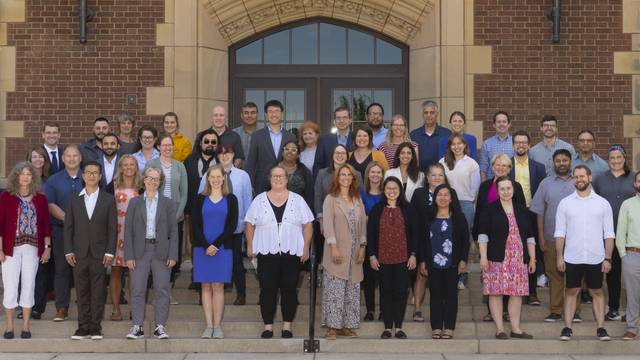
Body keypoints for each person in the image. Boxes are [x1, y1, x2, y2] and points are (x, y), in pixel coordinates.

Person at [245, 166, 313, 339]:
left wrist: (306, 247)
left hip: (292, 252)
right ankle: (268, 326)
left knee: (289, 289)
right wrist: (250, 245)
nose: (277, 179)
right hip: (266, 252)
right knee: (267, 289)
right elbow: (249, 224)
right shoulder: (259, 200)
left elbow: (308, 225)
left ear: (286, 178)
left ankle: (287, 326)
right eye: (274, 176)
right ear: (269, 178)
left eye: (281, 176)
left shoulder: (298, 200)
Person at [555, 165, 615, 341]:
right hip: (572, 256)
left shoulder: (603, 204)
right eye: (575, 177)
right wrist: (560, 256)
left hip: (596, 257)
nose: (579, 179)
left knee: (597, 291)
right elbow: (560, 233)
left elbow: (609, 234)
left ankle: (601, 329)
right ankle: (567, 328)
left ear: (589, 178)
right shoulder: (565, 203)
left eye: (582, 176)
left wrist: (608, 258)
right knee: (571, 291)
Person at [478, 176, 536, 340]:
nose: (506, 192)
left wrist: (532, 258)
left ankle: (516, 329)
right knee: (495, 293)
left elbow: (530, 236)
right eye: (502, 189)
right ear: (497, 191)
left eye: (508, 188)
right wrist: (483, 257)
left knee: (516, 293)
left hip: (518, 258)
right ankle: (500, 329)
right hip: (495, 257)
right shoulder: (489, 209)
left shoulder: (522, 210)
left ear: (513, 189)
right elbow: (483, 235)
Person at [64, 160, 117, 340]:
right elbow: (68, 228)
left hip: (100, 254)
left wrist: (110, 251)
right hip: (78, 253)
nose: (92, 175)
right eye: (88, 172)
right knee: (81, 290)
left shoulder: (108, 200)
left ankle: (95, 326)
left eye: (95, 172)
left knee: (98, 290)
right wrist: (68, 251)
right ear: (83, 175)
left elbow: (112, 228)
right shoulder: (73, 199)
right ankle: (82, 326)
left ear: (100, 176)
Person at [124, 166, 178, 340]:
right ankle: (137, 326)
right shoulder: (134, 202)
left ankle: (160, 326)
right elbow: (128, 231)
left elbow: (174, 231)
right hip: (140, 251)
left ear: (160, 182)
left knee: (162, 289)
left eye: (156, 179)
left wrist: (173, 254)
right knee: (137, 289)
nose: (152, 181)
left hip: (161, 251)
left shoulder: (168, 203)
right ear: (144, 180)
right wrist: (129, 255)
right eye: (149, 178)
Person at [529, 149, 581, 323]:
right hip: (551, 237)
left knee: (575, 275)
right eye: (558, 160)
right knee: (554, 274)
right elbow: (539, 212)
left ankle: (575, 311)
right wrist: (541, 238)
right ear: (553, 162)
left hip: (577, 239)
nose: (561, 163)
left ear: (570, 161)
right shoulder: (546, 183)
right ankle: (556, 310)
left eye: (565, 160)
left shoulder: (579, 181)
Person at [0, 162, 51, 339]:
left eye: (29, 174)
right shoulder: (5, 197)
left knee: (29, 285)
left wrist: (47, 248)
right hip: (9, 250)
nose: (25, 176)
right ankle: (9, 327)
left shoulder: (41, 199)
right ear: (16, 176)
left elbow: (45, 226)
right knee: (10, 286)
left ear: (33, 177)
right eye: (22, 173)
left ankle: (26, 327)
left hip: (32, 249)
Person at [197, 145, 253, 305]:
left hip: (235, 228)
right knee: (210, 260)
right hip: (212, 229)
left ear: (233, 154)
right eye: (221, 153)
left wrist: (247, 225)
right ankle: (205, 294)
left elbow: (248, 201)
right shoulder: (208, 175)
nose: (225, 155)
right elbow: (201, 199)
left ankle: (241, 293)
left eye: (228, 152)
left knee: (236, 262)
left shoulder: (243, 176)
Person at [473, 154, 526, 321]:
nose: (500, 168)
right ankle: (492, 310)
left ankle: (506, 311)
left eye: (504, 165)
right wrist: (477, 234)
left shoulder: (515, 186)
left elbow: (521, 213)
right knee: (490, 275)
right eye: (497, 165)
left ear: (510, 169)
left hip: (511, 242)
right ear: (492, 166)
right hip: (488, 237)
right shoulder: (485, 186)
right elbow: (480, 211)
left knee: (509, 276)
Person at [367, 176, 417, 339]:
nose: (392, 191)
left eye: (395, 188)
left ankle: (399, 328)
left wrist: (413, 255)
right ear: (384, 190)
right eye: (388, 188)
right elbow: (371, 234)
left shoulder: (408, 209)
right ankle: (388, 327)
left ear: (400, 191)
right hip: (382, 259)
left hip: (403, 259)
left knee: (401, 292)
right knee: (386, 291)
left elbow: (414, 235)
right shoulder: (377, 209)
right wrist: (372, 255)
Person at [321, 164, 367, 339]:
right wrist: (333, 247)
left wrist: (362, 247)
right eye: (343, 174)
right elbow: (327, 225)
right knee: (335, 290)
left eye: (349, 175)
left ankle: (346, 326)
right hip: (337, 251)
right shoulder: (331, 199)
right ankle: (332, 327)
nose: (346, 177)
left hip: (354, 253)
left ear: (353, 179)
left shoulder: (357, 199)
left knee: (352, 291)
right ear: (337, 177)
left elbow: (363, 224)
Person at [192, 165, 238, 338]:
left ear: (224, 178)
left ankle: (217, 326)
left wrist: (216, 245)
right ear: (208, 179)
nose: (216, 180)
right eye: (213, 177)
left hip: (223, 248)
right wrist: (206, 245)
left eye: (219, 177)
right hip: (202, 248)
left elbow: (232, 226)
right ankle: (208, 325)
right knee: (205, 286)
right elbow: (195, 225)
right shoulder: (199, 199)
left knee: (218, 286)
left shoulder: (231, 199)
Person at [410, 163, 460, 321]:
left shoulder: (451, 193)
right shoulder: (419, 194)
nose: (437, 178)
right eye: (433, 175)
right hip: (424, 239)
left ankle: (442, 310)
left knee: (443, 278)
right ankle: (417, 309)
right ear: (427, 177)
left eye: (440, 175)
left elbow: (457, 216)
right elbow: (413, 218)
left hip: (446, 241)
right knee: (421, 274)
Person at [419, 184, 469, 339]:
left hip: (452, 263)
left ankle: (448, 327)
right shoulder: (428, 215)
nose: (442, 197)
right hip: (432, 262)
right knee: (435, 295)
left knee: (451, 295)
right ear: (435, 198)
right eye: (439, 194)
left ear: (451, 198)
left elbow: (465, 240)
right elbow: (422, 240)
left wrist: (462, 260)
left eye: (446, 195)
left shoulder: (459, 217)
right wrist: (422, 261)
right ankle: (436, 327)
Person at [592, 144, 636, 321]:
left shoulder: (634, 178)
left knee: (632, 274)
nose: (616, 161)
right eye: (612, 158)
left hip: (631, 234)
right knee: (613, 273)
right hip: (608, 233)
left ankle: (633, 310)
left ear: (625, 158)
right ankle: (614, 308)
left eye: (619, 157)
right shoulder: (600, 179)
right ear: (608, 160)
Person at [45, 145, 84, 322]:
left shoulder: (89, 177)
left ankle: (85, 309)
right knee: (61, 269)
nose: (71, 158)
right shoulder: (54, 180)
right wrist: (69, 220)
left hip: (86, 233)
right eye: (68, 155)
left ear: (80, 158)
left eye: (75, 155)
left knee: (83, 270)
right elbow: (51, 205)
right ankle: (62, 308)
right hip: (60, 231)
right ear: (63, 159)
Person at [508, 130, 546, 305]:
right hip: (510, 213)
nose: (520, 145)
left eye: (524, 142)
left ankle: (531, 292)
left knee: (532, 251)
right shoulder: (506, 166)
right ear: (513, 145)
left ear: (529, 145)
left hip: (532, 214)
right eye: (517, 142)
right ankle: (513, 290)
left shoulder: (539, 168)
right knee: (511, 252)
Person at [147, 134, 188, 279]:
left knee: (172, 249)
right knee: (156, 248)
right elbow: (147, 190)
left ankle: (170, 281)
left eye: (169, 145)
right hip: (156, 214)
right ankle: (155, 279)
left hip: (175, 214)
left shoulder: (180, 166)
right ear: (158, 147)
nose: (167, 148)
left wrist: (178, 212)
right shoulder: (151, 164)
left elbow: (184, 193)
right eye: (164, 145)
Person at [315, 145, 363, 264]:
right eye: (337, 153)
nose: (339, 155)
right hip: (328, 219)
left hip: (349, 218)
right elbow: (318, 196)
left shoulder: (356, 174)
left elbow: (359, 196)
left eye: (342, 153)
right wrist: (321, 219)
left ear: (347, 156)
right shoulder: (322, 173)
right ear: (332, 156)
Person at [109, 154, 141, 321]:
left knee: (134, 273)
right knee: (115, 271)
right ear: (120, 168)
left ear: (136, 167)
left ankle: (134, 309)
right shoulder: (112, 185)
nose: (129, 168)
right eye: (125, 165)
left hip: (136, 235)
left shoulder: (142, 186)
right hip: (116, 233)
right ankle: (116, 309)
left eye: (132, 165)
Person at [245, 100, 297, 194]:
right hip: (261, 183)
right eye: (270, 111)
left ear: (282, 114)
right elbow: (251, 162)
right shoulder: (257, 136)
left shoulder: (290, 137)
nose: (274, 114)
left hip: (285, 182)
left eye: (277, 111)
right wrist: (250, 185)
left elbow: (294, 161)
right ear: (266, 114)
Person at [615, 170, 640, 340]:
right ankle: (632, 327)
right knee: (633, 294)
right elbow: (620, 232)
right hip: (633, 255)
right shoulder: (628, 204)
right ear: (635, 184)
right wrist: (624, 256)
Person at [439, 134, 480, 231]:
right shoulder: (442, 162)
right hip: (446, 202)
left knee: (465, 233)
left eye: (459, 143)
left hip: (465, 203)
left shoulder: (472, 163)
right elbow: (439, 183)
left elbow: (475, 187)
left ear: (465, 145)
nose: (456, 147)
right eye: (453, 144)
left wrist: (469, 199)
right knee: (447, 232)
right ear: (449, 146)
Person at [410, 100, 452, 172]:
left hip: (440, 177)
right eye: (426, 113)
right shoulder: (413, 135)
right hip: (419, 177)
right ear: (422, 115)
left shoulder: (447, 134)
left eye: (432, 112)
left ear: (437, 114)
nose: (428, 115)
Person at [314, 106, 352, 175]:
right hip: (329, 183)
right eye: (338, 118)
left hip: (352, 182)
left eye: (345, 117)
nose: (341, 121)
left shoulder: (356, 139)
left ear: (350, 120)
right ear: (334, 121)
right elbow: (318, 165)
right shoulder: (324, 140)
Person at [278, 140, 314, 209]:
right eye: (286, 149)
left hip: (298, 209)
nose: (289, 152)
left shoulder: (304, 171)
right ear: (282, 153)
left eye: (293, 150)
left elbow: (310, 195)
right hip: (275, 208)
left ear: (298, 155)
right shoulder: (273, 169)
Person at [479, 111, 513, 181]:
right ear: (494, 125)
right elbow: (483, 169)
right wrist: (484, 187)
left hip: (511, 186)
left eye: (504, 122)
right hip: (492, 186)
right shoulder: (487, 144)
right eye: (498, 122)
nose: (501, 124)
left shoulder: (515, 142)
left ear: (509, 124)